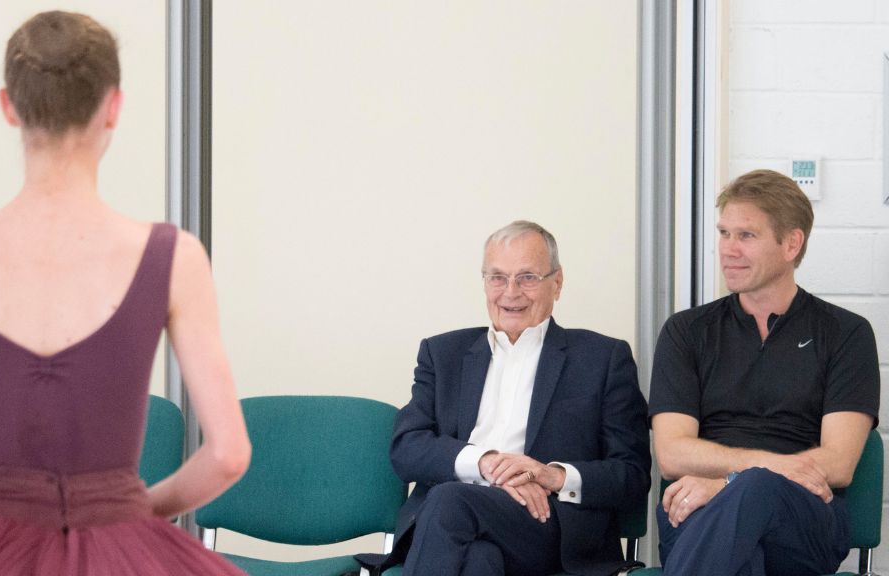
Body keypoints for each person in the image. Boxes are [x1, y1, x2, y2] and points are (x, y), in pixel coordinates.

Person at [0, 11, 251, 575]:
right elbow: (227, 454)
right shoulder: (175, 258)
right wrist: (134, 510)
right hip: (123, 543)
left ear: (9, 106)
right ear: (114, 106)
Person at [356, 221, 651, 576]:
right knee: (480, 561)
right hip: (455, 526)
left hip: (548, 526)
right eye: (497, 277)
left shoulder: (602, 359)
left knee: (450, 500)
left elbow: (632, 475)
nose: (510, 292)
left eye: (527, 277)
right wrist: (486, 464)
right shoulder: (442, 353)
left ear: (556, 283)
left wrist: (552, 475)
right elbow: (408, 447)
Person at [649, 169, 880, 576]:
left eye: (746, 236)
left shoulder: (846, 333)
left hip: (802, 519)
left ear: (792, 243)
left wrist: (731, 483)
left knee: (757, 490)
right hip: (696, 509)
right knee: (742, 557)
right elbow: (671, 455)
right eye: (724, 233)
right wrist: (772, 467)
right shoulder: (686, 332)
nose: (727, 250)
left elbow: (839, 463)